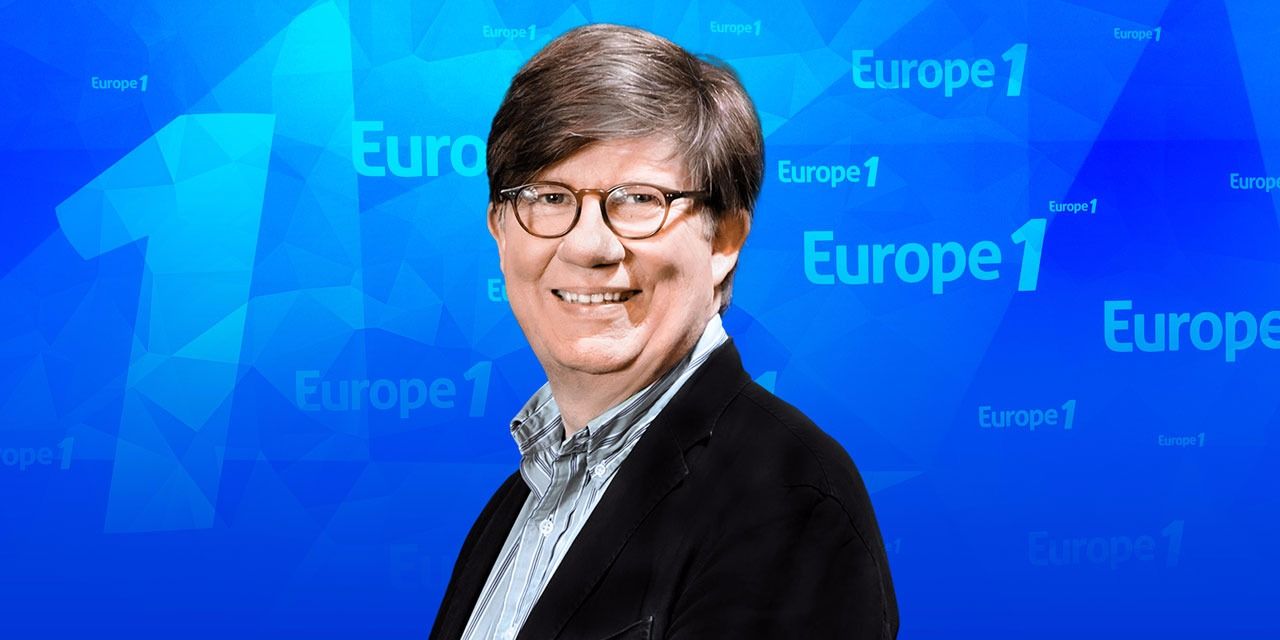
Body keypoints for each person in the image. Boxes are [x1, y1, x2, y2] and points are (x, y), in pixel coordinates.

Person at [430, 24, 897, 640]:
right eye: (549, 197)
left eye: (638, 200)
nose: (588, 246)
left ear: (724, 238)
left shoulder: (789, 500)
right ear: (499, 229)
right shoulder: (514, 511)